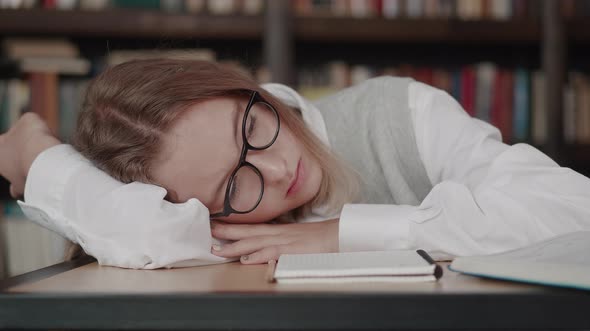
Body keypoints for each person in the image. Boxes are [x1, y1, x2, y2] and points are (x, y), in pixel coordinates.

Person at [1, 59, 589, 269]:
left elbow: (573, 213)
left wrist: (340, 233)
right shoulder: (217, 225)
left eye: (252, 127)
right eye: (235, 184)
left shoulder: (401, 111)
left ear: (246, 89)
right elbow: (144, 236)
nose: (278, 170)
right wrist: (40, 159)